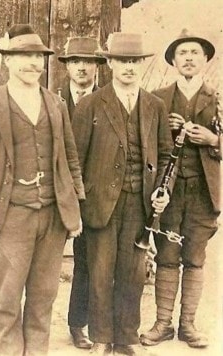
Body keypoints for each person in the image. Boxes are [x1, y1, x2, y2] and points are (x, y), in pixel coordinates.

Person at [0, 24, 84, 355]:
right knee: (8, 301)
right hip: (10, 216)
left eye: (37, 57)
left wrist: (75, 208)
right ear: (8, 61)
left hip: (53, 217)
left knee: (44, 299)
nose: (32, 63)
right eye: (23, 56)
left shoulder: (56, 104)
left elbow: (70, 159)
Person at [71, 32, 173, 355]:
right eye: (123, 61)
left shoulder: (155, 106)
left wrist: (163, 191)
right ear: (110, 64)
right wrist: (81, 202)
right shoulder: (89, 105)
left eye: (135, 62)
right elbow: (76, 159)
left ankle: (127, 336)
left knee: (133, 272)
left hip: (140, 203)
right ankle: (102, 336)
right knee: (100, 271)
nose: (129, 68)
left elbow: (168, 156)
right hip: (101, 204)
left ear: (141, 65)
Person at [139, 29, 220, 349]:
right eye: (182, 53)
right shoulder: (157, 97)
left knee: (195, 258)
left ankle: (188, 324)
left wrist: (213, 140)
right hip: (167, 190)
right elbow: (144, 142)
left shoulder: (217, 97)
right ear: (173, 60)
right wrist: (165, 129)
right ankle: (163, 323)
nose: (188, 58)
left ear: (204, 60)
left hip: (202, 190)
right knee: (167, 255)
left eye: (195, 53)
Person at [56, 36, 106, 350]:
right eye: (75, 61)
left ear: (98, 67)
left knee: (86, 262)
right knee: (39, 263)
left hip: (93, 196)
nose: (82, 67)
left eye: (89, 61)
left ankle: (79, 324)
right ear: (67, 66)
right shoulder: (51, 99)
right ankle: (28, 326)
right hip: (55, 194)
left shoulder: (107, 101)